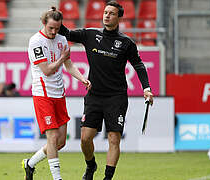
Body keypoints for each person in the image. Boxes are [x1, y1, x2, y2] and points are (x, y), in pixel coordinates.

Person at [58, 1, 154, 180]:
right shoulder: (90, 34)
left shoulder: (126, 42)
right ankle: (91, 165)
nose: (107, 15)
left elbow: (139, 65)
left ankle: (107, 178)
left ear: (119, 17)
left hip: (116, 97)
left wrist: (146, 88)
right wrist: (55, 18)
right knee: (85, 138)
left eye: (111, 13)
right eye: (105, 12)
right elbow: (67, 32)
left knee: (113, 138)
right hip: (94, 95)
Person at [22, 6, 91, 180]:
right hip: (43, 93)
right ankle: (57, 178)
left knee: (60, 142)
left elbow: (69, 65)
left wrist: (82, 78)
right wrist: (62, 58)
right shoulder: (36, 41)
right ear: (44, 23)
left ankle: (30, 164)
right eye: (51, 28)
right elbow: (46, 70)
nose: (54, 32)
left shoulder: (61, 40)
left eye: (57, 28)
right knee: (52, 138)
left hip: (59, 94)